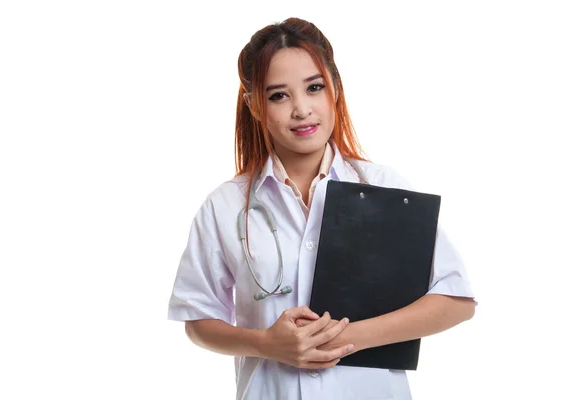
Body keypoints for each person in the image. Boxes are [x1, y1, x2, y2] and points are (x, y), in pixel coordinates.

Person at [167, 17, 476, 400]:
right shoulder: (225, 205)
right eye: (279, 95)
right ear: (255, 106)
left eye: (314, 88)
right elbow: (198, 318)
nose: (302, 110)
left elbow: (455, 300)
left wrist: (343, 338)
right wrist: (267, 344)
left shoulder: (382, 186)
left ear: (334, 88)